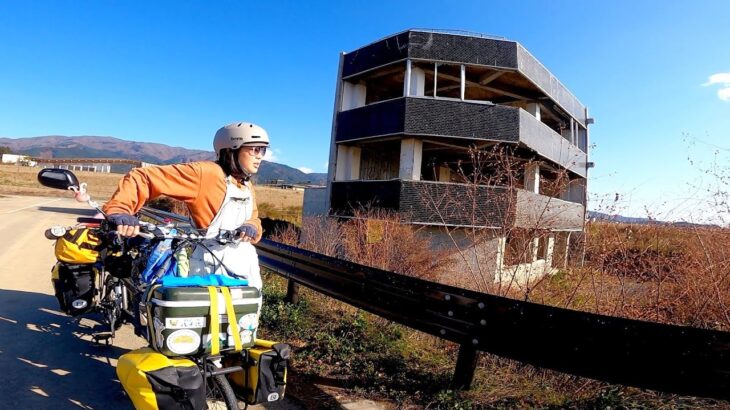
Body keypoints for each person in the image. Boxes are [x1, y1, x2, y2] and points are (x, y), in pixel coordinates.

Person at [102, 122, 269, 290]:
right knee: (212, 315)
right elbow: (143, 177)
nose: (260, 156)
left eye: (263, 150)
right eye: (255, 149)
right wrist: (120, 209)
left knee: (248, 315)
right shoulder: (206, 174)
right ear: (232, 149)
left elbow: (254, 218)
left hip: (245, 263)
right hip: (211, 264)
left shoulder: (247, 186)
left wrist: (251, 226)